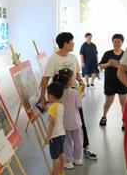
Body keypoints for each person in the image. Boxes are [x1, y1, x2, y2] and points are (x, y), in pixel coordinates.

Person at [38, 32, 97, 160]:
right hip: (59, 97)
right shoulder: (53, 59)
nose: (73, 43)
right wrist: (43, 98)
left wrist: (81, 82)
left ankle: (85, 147)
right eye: (71, 41)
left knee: (79, 121)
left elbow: (77, 74)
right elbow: (45, 79)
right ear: (65, 44)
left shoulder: (73, 57)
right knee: (61, 124)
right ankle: (64, 154)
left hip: (73, 93)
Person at [99, 33, 127, 128]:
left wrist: (119, 66)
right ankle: (104, 116)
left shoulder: (125, 54)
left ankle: (124, 121)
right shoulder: (107, 53)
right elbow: (100, 65)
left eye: (119, 42)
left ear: (122, 43)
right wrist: (108, 64)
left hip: (122, 82)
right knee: (108, 102)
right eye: (115, 42)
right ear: (112, 42)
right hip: (110, 82)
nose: (117, 44)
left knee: (124, 103)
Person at [57, 69, 83, 169]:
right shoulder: (75, 92)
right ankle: (77, 158)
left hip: (64, 123)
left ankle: (68, 161)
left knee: (66, 142)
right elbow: (79, 105)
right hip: (75, 122)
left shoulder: (59, 93)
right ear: (69, 81)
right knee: (78, 140)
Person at [44, 81, 66, 175]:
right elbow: (55, 114)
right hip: (62, 133)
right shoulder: (61, 105)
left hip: (54, 136)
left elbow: (52, 123)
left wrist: (48, 136)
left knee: (55, 157)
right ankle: (61, 171)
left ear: (51, 95)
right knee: (61, 153)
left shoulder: (52, 107)